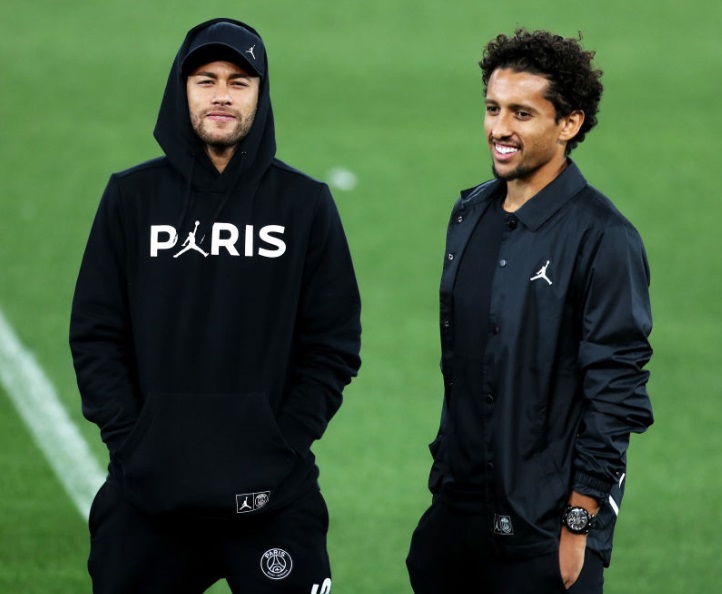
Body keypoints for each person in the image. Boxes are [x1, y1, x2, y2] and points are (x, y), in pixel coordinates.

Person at [70, 18, 361, 594]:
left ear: (260, 94)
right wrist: (133, 442)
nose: (222, 95)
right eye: (206, 80)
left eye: (238, 82)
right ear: (182, 91)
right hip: (148, 496)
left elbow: (332, 344)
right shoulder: (131, 198)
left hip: (273, 496)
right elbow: (96, 333)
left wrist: (283, 441)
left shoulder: (304, 205)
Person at [406, 29, 653, 593]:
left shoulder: (604, 238)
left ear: (569, 123)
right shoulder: (470, 213)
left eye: (522, 113)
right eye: (493, 108)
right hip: (458, 516)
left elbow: (616, 390)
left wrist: (578, 524)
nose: (499, 128)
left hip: (545, 533)